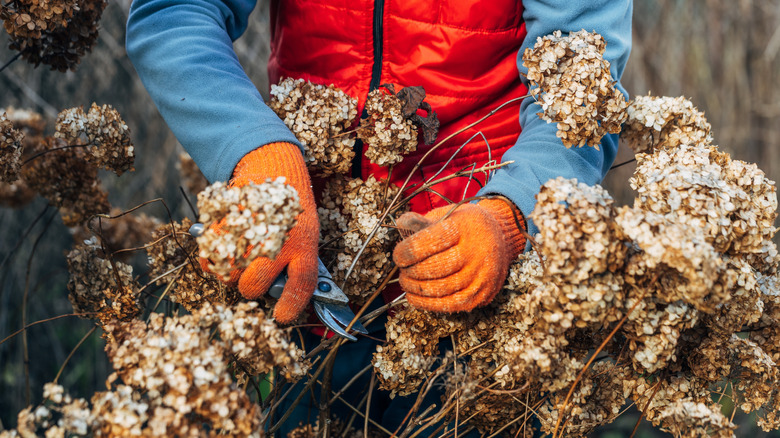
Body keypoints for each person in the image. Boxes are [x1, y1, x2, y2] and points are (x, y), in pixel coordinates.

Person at [126, 0, 632, 434]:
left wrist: (514, 212)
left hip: (486, 303)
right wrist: (255, 154)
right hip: (308, 274)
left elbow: (586, 81)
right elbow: (174, 12)